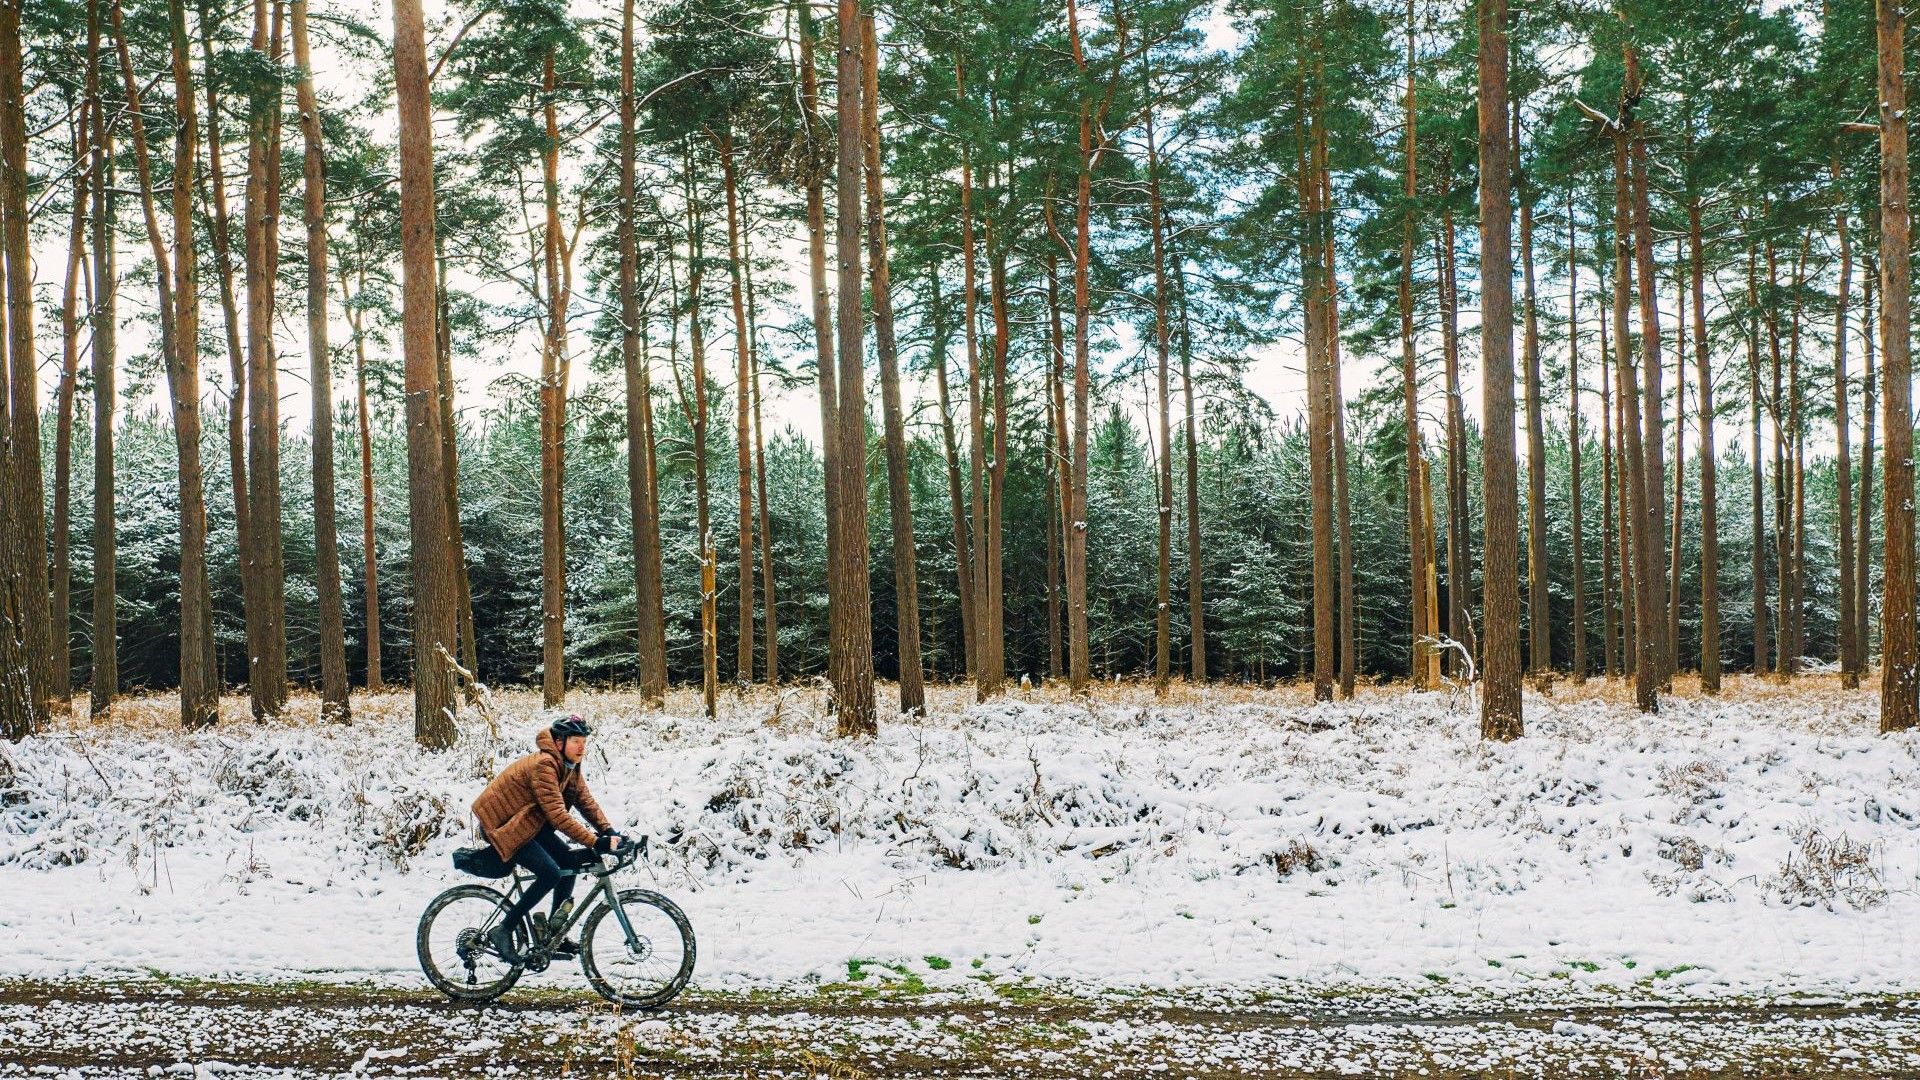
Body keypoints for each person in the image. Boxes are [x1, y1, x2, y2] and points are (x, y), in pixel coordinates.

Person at [471, 715, 624, 964]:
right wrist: (595, 842)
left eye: (584, 741)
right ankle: (503, 929)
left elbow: (585, 801)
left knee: (569, 863)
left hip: (527, 823)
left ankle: (554, 934)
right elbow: (558, 816)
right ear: (560, 742)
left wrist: (608, 831)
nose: (582, 747)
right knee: (550, 873)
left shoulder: (569, 765)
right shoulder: (545, 765)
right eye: (576, 741)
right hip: (503, 826)